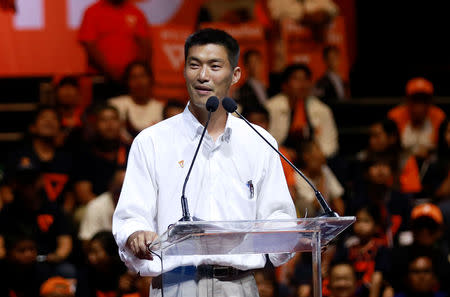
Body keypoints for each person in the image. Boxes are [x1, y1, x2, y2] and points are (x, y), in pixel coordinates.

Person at [112, 28, 296, 296]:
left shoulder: (258, 140)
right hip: (175, 282)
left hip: (239, 284)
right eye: (194, 65)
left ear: (235, 75)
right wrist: (135, 234)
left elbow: (278, 214)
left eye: (214, 66)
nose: (202, 75)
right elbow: (131, 215)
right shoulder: (152, 141)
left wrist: (299, 237)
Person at [266, 63, 339, 158]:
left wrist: (315, 156)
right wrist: (283, 153)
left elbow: (330, 144)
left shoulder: (322, 110)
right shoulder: (271, 108)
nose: (302, 84)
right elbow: (265, 143)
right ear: (285, 85)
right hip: (281, 159)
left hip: (314, 160)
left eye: (305, 79)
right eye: (296, 79)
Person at [78, 0, 151, 84]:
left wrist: (136, 73)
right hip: (100, 77)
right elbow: (89, 45)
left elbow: (145, 45)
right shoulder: (92, 11)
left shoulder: (136, 12)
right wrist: (110, 72)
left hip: (130, 81)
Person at [388, 78, 446, 159]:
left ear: (430, 101)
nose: (419, 104)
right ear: (407, 100)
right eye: (415, 99)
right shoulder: (395, 116)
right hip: (401, 164)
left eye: (424, 99)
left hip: (431, 164)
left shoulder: (439, 116)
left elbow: (443, 147)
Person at [109, 61, 164, 144]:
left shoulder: (161, 109)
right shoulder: (115, 105)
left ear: (151, 79)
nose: (139, 82)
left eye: (143, 76)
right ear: (127, 82)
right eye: (133, 77)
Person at [78, 169, 125, 243]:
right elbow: (86, 240)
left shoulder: (139, 206)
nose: (122, 196)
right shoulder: (96, 206)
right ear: (110, 186)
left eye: (126, 191)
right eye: (118, 191)